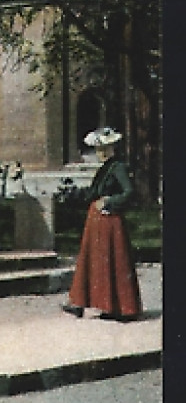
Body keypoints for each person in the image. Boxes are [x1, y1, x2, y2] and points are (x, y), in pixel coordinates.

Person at [62, 127, 142, 321]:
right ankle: (86, 303)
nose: (102, 152)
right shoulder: (106, 168)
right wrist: (73, 194)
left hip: (110, 220)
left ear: (114, 147)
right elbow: (92, 194)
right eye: (99, 149)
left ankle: (123, 308)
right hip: (97, 221)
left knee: (114, 261)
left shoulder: (118, 167)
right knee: (92, 262)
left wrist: (109, 202)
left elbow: (129, 192)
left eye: (106, 148)